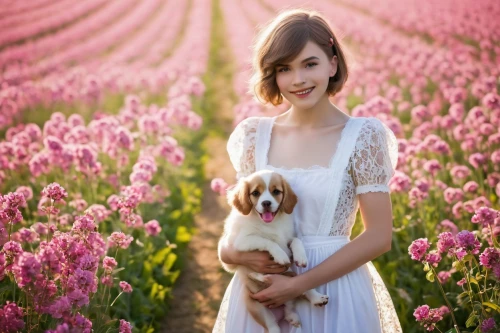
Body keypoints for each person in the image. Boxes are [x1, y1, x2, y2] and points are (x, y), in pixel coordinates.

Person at [213, 8, 402, 333]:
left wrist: (298, 285)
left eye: (310, 64)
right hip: (266, 295)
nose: (298, 79)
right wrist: (233, 254)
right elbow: (237, 227)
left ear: (332, 63)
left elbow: (379, 236)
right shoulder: (253, 136)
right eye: (285, 68)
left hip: (335, 289)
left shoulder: (363, 136)